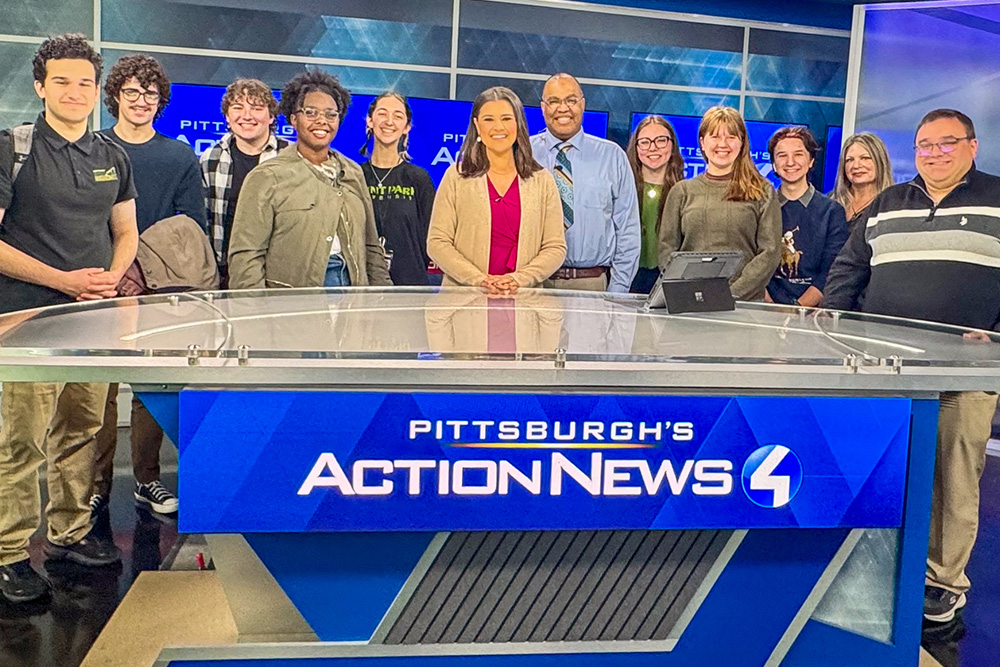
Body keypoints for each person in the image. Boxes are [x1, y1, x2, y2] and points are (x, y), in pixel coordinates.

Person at [824, 109, 1000, 624]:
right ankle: (873, 557)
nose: (934, 153)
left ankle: (943, 583)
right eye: (925, 145)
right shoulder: (887, 203)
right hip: (886, 369)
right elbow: (849, 268)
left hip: (965, 373)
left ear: (971, 146)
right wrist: (836, 320)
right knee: (879, 466)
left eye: (947, 143)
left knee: (953, 475)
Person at [0, 34, 138, 602]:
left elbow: (125, 232)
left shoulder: (112, 154)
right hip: (26, 319)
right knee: (20, 441)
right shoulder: (14, 147)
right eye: (62, 80)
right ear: (40, 86)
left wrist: (108, 278)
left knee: (82, 428)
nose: (75, 91)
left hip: (93, 319)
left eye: (85, 82)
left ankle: (69, 531)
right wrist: (64, 282)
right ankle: (8, 552)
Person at [93, 54, 207, 518]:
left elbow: (190, 226)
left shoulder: (179, 156)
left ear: (160, 101)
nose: (141, 101)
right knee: (96, 391)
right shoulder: (91, 147)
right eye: (132, 92)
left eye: (150, 94)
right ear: (116, 96)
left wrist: (139, 268)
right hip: (95, 286)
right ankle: (94, 485)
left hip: (157, 287)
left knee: (149, 390)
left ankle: (147, 480)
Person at [227, 70, 391, 289]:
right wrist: (256, 315)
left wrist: (382, 299)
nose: (321, 120)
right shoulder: (267, 177)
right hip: (294, 303)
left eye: (330, 114)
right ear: (294, 119)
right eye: (311, 112)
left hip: (352, 294)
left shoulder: (352, 172)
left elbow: (371, 246)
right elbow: (246, 258)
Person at [427, 86, 566, 294]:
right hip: (466, 302)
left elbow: (555, 247)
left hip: (523, 301)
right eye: (489, 119)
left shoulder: (542, 181)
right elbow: (437, 243)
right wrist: (480, 280)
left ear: (518, 124)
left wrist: (518, 279)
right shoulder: (456, 176)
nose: (498, 127)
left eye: (506, 119)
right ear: (477, 125)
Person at [658, 106, 781, 300]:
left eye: (731, 137)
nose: (723, 144)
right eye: (715, 136)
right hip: (691, 303)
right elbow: (667, 251)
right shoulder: (682, 192)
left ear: (742, 143)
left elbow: (770, 253)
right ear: (702, 142)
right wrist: (692, 292)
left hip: (743, 305)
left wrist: (729, 294)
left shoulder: (763, 191)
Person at [530, 73, 639, 292]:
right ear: (543, 107)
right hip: (534, 284)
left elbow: (627, 229)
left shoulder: (612, 156)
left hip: (592, 284)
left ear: (583, 105)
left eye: (571, 100)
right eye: (554, 101)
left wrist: (617, 290)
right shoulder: (524, 154)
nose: (563, 109)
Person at [200, 78, 289, 286]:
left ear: (271, 116)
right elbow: (204, 220)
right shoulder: (210, 158)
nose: (247, 116)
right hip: (223, 273)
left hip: (276, 274)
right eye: (238, 107)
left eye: (257, 108)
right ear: (227, 116)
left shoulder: (290, 157)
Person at [764, 126, 848, 307]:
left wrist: (799, 309)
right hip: (765, 311)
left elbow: (831, 270)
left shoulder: (832, 212)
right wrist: (769, 307)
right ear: (773, 164)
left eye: (798, 154)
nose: (790, 162)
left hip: (813, 315)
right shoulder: (761, 208)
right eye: (782, 155)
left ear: (811, 161)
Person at [359, 92, 435, 286]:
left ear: (406, 128)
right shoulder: (354, 176)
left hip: (410, 287)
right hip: (361, 286)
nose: (389, 121)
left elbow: (431, 239)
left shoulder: (419, 178)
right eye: (382, 114)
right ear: (370, 121)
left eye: (398, 116)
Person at [625, 115, 684, 294]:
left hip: (668, 281)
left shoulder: (684, 192)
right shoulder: (622, 189)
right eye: (645, 142)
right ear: (636, 147)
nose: (653, 148)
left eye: (661, 140)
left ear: (672, 145)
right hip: (625, 277)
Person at [831, 132, 894, 232]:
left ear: (880, 161)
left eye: (865, 158)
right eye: (850, 160)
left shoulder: (893, 205)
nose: (856, 165)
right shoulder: (830, 202)